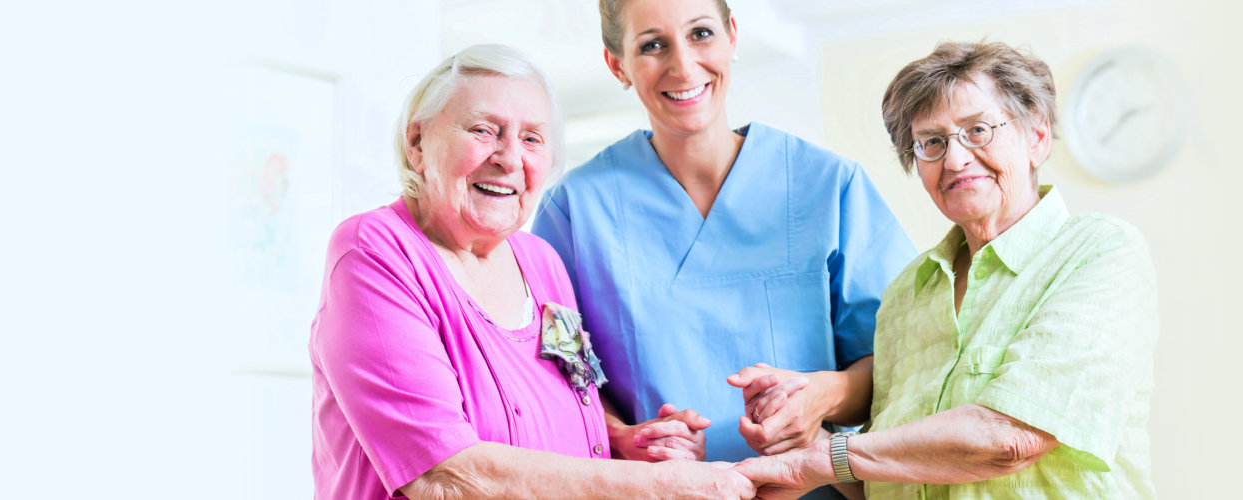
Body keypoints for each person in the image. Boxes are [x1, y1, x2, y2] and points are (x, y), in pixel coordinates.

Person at [310, 44, 754, 500]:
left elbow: (574, 397)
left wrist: (626, 442)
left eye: (532, 138)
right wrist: (657, 487)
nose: (509, 158)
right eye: (484, 130)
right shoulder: (374, 253)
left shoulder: (542, 263)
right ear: (418, 142)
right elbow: (442, 474)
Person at [730, 40, 1160, 499]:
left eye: (978, 130)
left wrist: (821, 460)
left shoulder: (1098, 252)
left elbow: (1010, 438)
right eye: (932, 142)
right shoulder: (906, 293)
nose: (954, 159)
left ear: (1036, 136)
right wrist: (798, 434)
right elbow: (883, 477)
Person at [532, 2, 916, 497]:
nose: (683, 65)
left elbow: (901, 360)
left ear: (732, 36)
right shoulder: (573, 210)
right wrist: (623, 437)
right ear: (617, 64)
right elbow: (551, 371)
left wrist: (821, 396)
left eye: (701, 33)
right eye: (652, 45)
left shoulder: (828, 186)